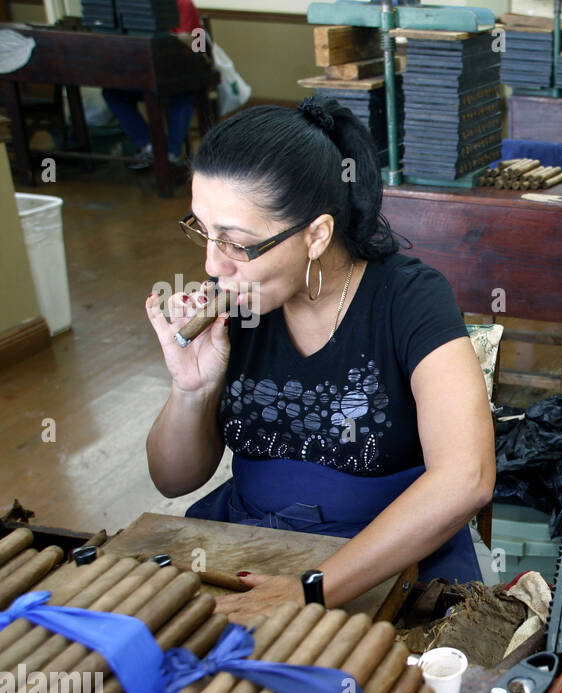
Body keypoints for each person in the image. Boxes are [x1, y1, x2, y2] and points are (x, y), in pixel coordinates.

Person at [144, 96, 495, 622]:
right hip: (248, 544)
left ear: (316, 236)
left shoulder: (409, 299)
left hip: (387, 564)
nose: (213, 265)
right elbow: (173, 481)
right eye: (203, 230)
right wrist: (191, 389)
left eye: (236, 243)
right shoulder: (239, 306)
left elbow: (466, 478)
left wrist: (311, 591)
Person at [103, 0, 202, 168]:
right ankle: (148, 146)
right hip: (143, 73)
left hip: (180, 72)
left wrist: (163, 39)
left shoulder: (183, 4)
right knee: (113, 93)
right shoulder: (135, 7)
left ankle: (172, 152)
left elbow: (194, 42)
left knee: (184, 94)